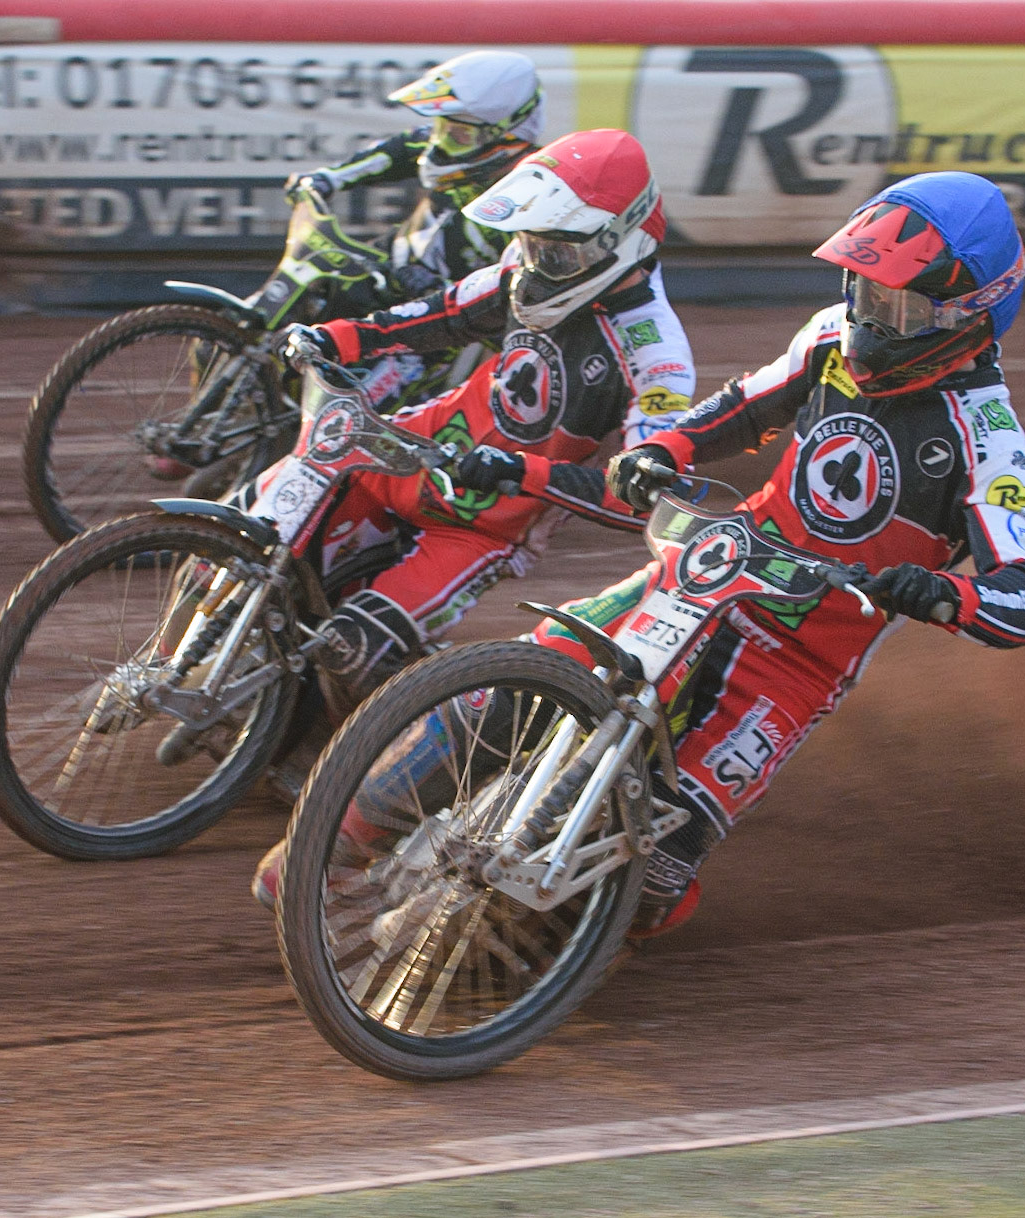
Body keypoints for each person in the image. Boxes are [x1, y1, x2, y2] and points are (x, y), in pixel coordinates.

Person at [584, 170, 1025, 936]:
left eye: (895, 306)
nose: (868, 319)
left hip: (796, 663)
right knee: (529, 670)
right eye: (863, 290)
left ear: (969, 314)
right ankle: (357, 827)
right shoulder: (829, 334)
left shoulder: (987, 437)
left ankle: (554, 964)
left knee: (658, 866)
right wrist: (665, 446)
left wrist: (938, 592)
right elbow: (740, 408)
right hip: (707, 573)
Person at [248, 128, 697, 907]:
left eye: (554, 251)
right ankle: (248, 691)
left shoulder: (655, 353)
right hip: (405, 451)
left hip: (485, 524)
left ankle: (347, 773)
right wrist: (333, 337)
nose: (534, 262)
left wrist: (521, 471)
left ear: (615, 242)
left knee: (356, 649)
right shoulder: (522, 274)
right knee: (262, 518)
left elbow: (639, 495)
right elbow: (422, 319)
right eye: (526, 242)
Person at [289, 50, 545, 302]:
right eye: (441, 126)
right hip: (386, 270)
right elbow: (392, 153)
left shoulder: (528, 190)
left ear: (505, 133)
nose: (443, 141)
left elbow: (524, 293)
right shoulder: (439, 144)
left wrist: (440, 288)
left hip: (442, 318)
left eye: (460, 133)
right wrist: (326, 179)